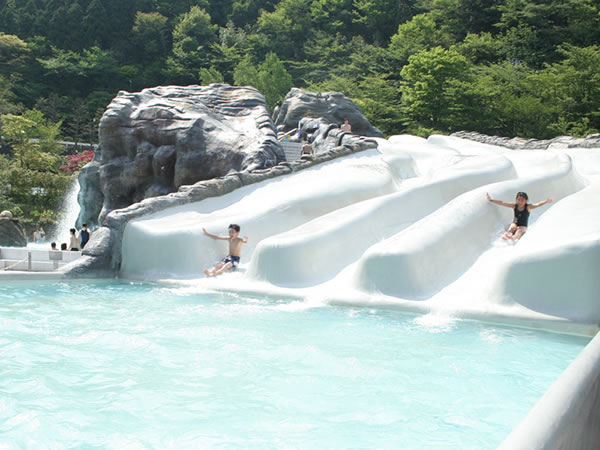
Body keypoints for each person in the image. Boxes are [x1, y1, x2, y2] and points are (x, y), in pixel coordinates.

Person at [486, 192, 554, 241]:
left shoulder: (528, 207)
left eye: (522, 200)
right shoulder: (514, 206)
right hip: (515, 223)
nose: (520, 202)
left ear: (526, 201)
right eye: (518, 199)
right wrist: (491, 200)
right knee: (512, 228)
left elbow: (538, 204)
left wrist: (546, 201)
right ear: (516, 200)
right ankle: (507, 234)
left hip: (523, 226)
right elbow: (503, 203)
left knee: (519, 231)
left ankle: (514, 238)